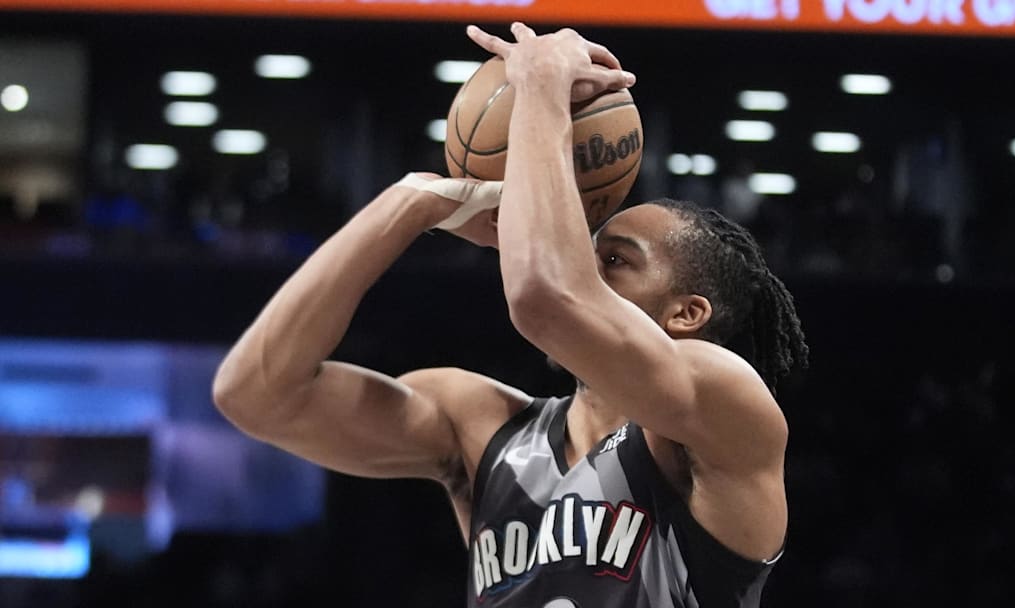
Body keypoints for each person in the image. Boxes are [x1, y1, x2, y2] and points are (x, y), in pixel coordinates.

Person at [213, 22, 808, 608]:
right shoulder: (482, 427)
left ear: (687, 313)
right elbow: (256, 394)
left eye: (614, 260)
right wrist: (409, 203)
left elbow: (547, 299)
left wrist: (543, 86)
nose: (582, 265)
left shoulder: (724, 408)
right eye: (584, 251)